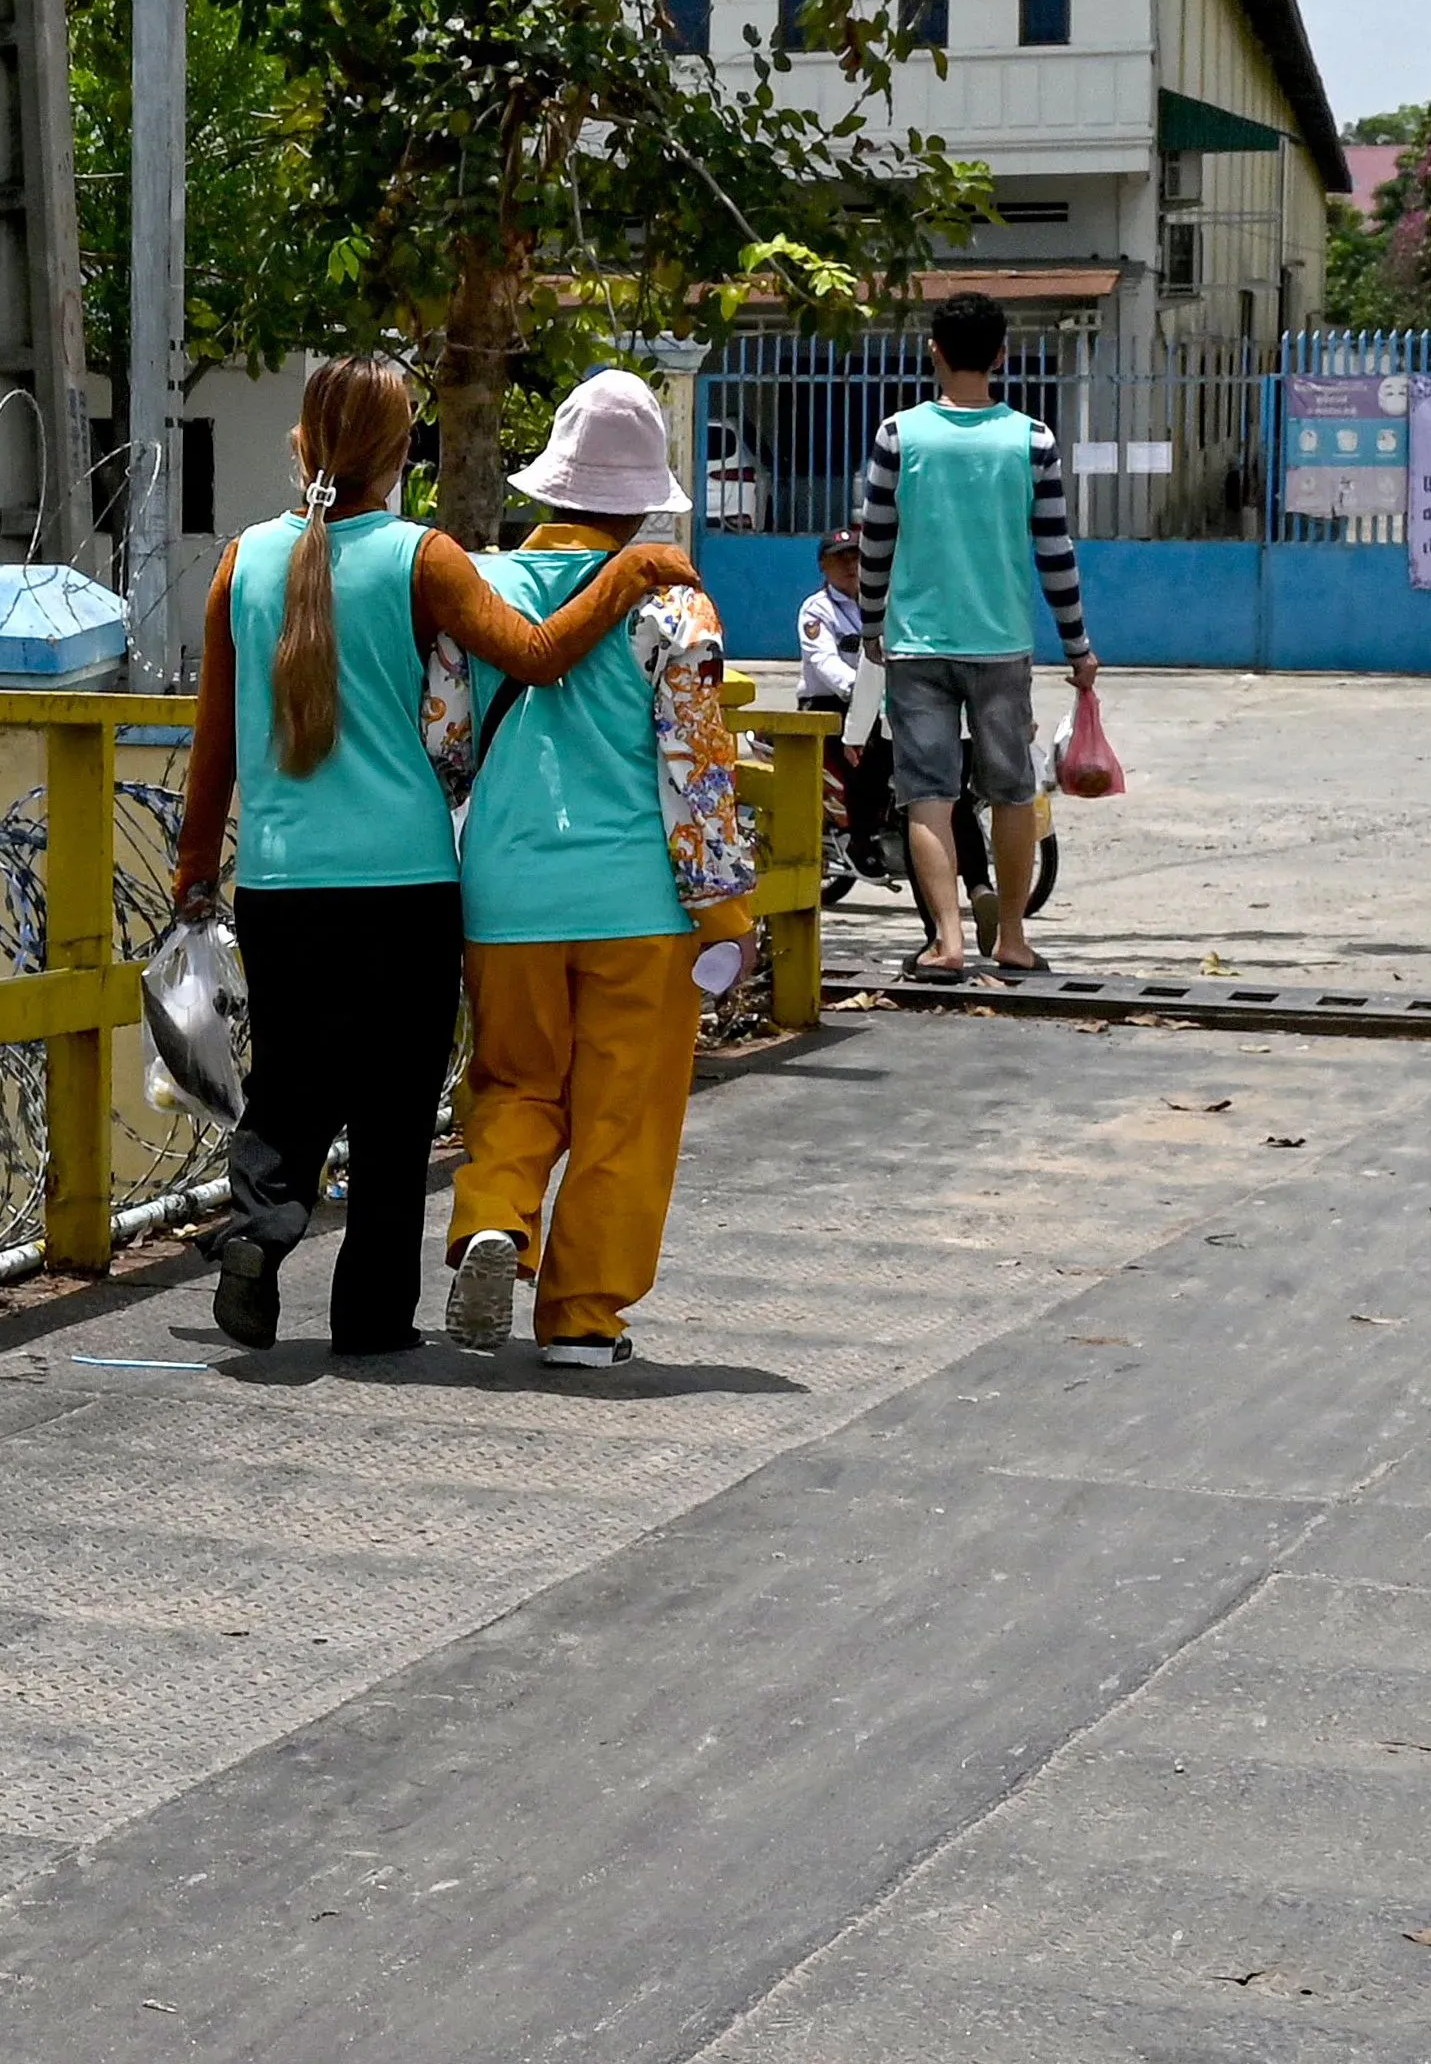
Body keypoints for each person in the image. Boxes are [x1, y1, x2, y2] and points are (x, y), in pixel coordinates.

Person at [160, 356, 696, 1359]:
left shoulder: (241, 562)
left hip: (278, 879)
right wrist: (625, 574)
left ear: (299, 445)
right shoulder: (422, 558)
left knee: (287, 1086)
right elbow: (534, 656)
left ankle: (260, 1232)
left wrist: (196, 870)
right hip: (405, 881)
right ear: (401, 453)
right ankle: (368, 1319)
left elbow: (214, 742)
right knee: (395, 1109)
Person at [440, 372, 760, 1371]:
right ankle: (581, 1317)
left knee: (513, 1083)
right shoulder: (675, 607)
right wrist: (727, 909)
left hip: (505, 894)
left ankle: (494, 1216)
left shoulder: (473, 590)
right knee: (624, 1109)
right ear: (640, 499)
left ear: (549, 487)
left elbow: (445, 744)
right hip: (638, 904)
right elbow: (697, 770)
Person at [848, 290, 1092, 983]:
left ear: (935, 352)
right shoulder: (1032, 440)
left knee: (928, 794)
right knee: (1013, 793)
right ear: (1002, 355)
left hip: (918, 646)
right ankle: (1012, 938)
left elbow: (876, 546)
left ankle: (947, 941)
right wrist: (1078, 647)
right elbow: (1056, 554)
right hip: (1002, 646)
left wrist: (871, 623)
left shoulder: (899, 435)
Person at [793, 535, 890, 899]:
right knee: (872, 757)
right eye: (840, 560)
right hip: (827, 704)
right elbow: (825, 662)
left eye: (857, 558)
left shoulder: (880, 604)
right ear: (823, 566)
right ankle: (860, 841)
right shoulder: (817, 610)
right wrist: (862, 693)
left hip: (877, 701)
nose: (851, 566)